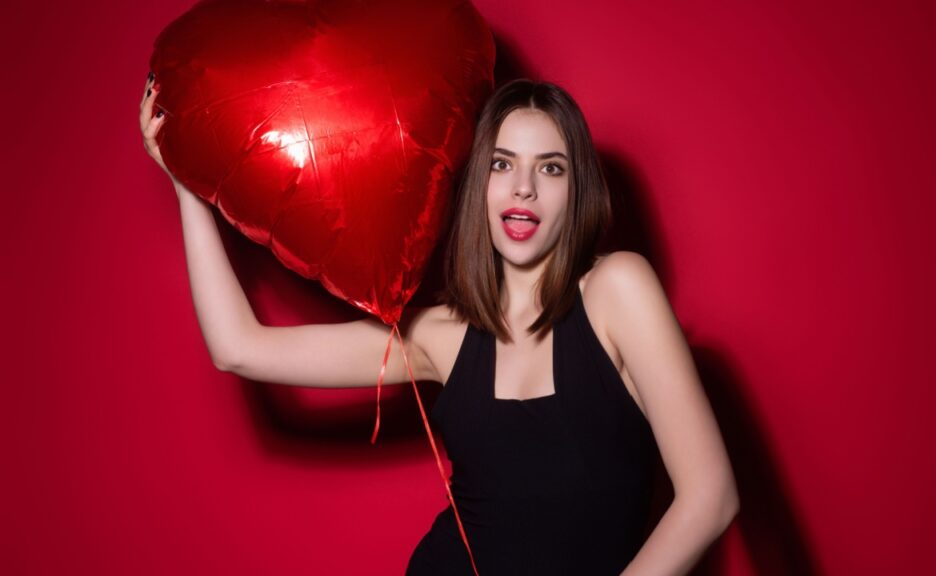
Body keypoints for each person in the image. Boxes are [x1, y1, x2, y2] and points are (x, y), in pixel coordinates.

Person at [140, 74, 739, 575]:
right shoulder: (442, 334)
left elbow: (709, 497)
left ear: (577, 191)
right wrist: (186, 185)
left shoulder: (617, 290)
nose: (523, 188)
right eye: (503, 164)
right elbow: (240, 349)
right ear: (479, 184)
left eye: (550, 169)